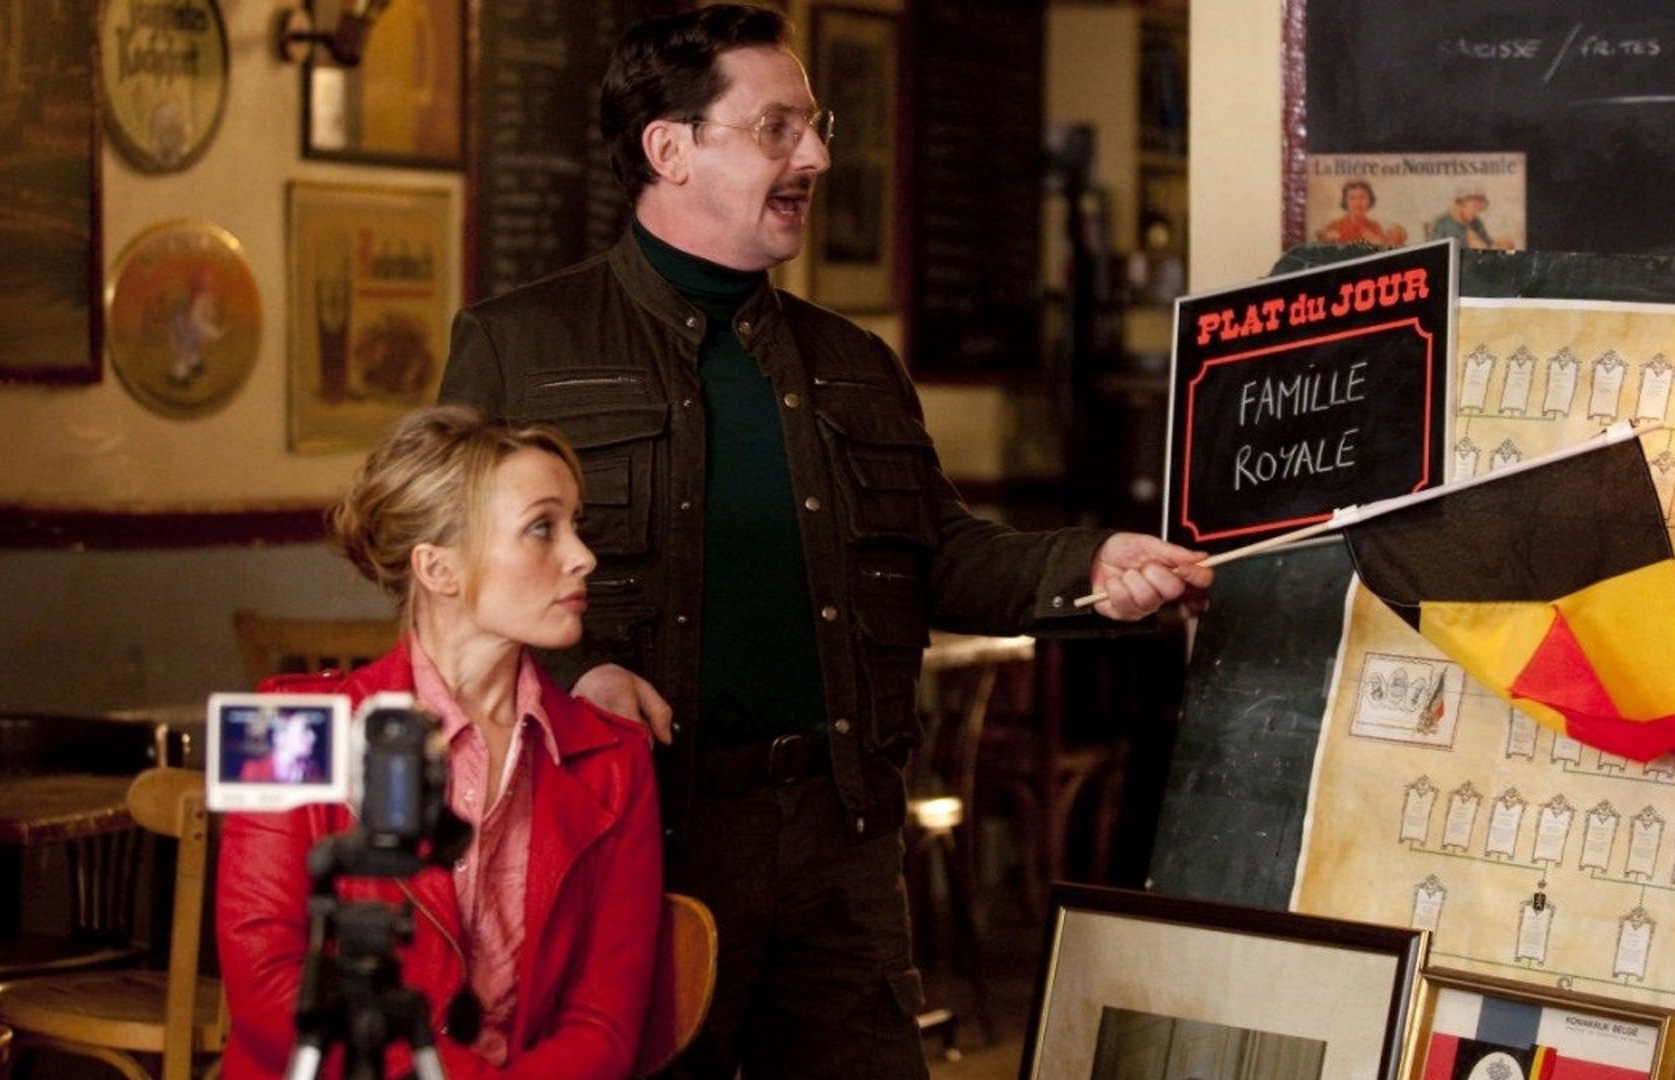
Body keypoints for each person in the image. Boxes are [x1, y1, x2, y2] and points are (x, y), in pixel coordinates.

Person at [438, 6, 1213, 1077]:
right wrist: (581, 678)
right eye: (777, 128)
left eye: (815, 125)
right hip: (629, 842)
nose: (816, 156)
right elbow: (446, 585)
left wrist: (1089, 566)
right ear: (669, 148)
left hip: (839, 847)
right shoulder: (518, 345)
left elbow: (942, 554)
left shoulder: (856, 363)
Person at [215, 405, 662, 1080]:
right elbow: (268, 988)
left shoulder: (615, 760)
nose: (583, 556)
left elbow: (604, 1024)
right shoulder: (287, 726)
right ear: (439, 569)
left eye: (576, 525)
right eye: (543, 528)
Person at [235, 708, 325, 784]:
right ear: (280, 737)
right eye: (305, 730)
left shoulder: (312, 770)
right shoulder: (253, 770)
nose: (313, 737)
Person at [1315, 179, 1407, 247]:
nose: (1358, 203)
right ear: (1345, 202)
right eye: (1352, 198)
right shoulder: (1335, 226)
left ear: (1369, 200)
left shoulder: (1375, 227)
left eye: (1362, 197)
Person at [1430, 184, 1514, 250]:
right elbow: (1437, 251)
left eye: (1479, 208)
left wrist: (1499, 244)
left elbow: (1488, 244)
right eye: (1474, 206)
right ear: (1461, 204)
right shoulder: (1442, 224)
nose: (1476, 212)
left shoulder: (1476, 222)